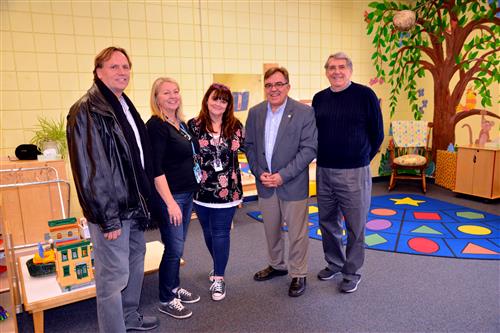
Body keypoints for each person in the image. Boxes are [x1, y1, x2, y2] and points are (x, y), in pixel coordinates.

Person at [66, 47, 159, 332]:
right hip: (113, 212)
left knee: (133, 266)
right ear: (98, 71)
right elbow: (90, 170)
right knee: (112, 277)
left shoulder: (124, 106)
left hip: (133, 204)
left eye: (126, 67)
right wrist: (108, 218)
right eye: (114, 67)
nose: (122, 72)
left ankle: (129, 318)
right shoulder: (86, 110)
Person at [312, 52, 384, 293]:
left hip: (355, 172)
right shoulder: (319, 99)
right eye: (331, 67)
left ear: (350, 70)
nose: (336, 71)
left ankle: (351, 271)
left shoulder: (365, 95)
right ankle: (334, 262)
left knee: (355, 225)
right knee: (327, 221)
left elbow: (377, 135)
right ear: (326, 72)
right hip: (324, 171)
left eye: (341, 67)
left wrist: (361, 158)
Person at [245, 67, 317, 297]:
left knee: (297, 232)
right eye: (269, 85)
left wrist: (283, 175)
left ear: (288, 86)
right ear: (264, 88)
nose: (273, 89)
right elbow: (250, 147)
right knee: (271, 229)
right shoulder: (255, 113)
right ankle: (277, 265)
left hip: (292, 183)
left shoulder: (304, 113)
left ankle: (298, 273)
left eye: (278, 84)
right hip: (265, 184)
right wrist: (259, 172)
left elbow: (309, 149)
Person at [146, 77, 201, 319]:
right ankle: (166, 298)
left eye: (176, 91)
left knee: (177, 245)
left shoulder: (181, 123)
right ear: (156, 97)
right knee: (173, 247)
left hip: (186, 193)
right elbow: (156, 168)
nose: (173, 96)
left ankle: (175, 287)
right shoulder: (157, 125)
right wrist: (170, 203)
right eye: (166, 92)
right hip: (171, 197)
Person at [187, 83, 244, 301]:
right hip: (201, 191)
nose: (219, 103)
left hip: (228, 190)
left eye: (224, 100)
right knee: (208, 233)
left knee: (221, 232)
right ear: (206, 100)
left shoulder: (235, 126)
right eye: (215, 98)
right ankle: (218, 264)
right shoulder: (193, 126)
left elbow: (251, 149)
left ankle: (219, 278)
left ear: (228, 104)